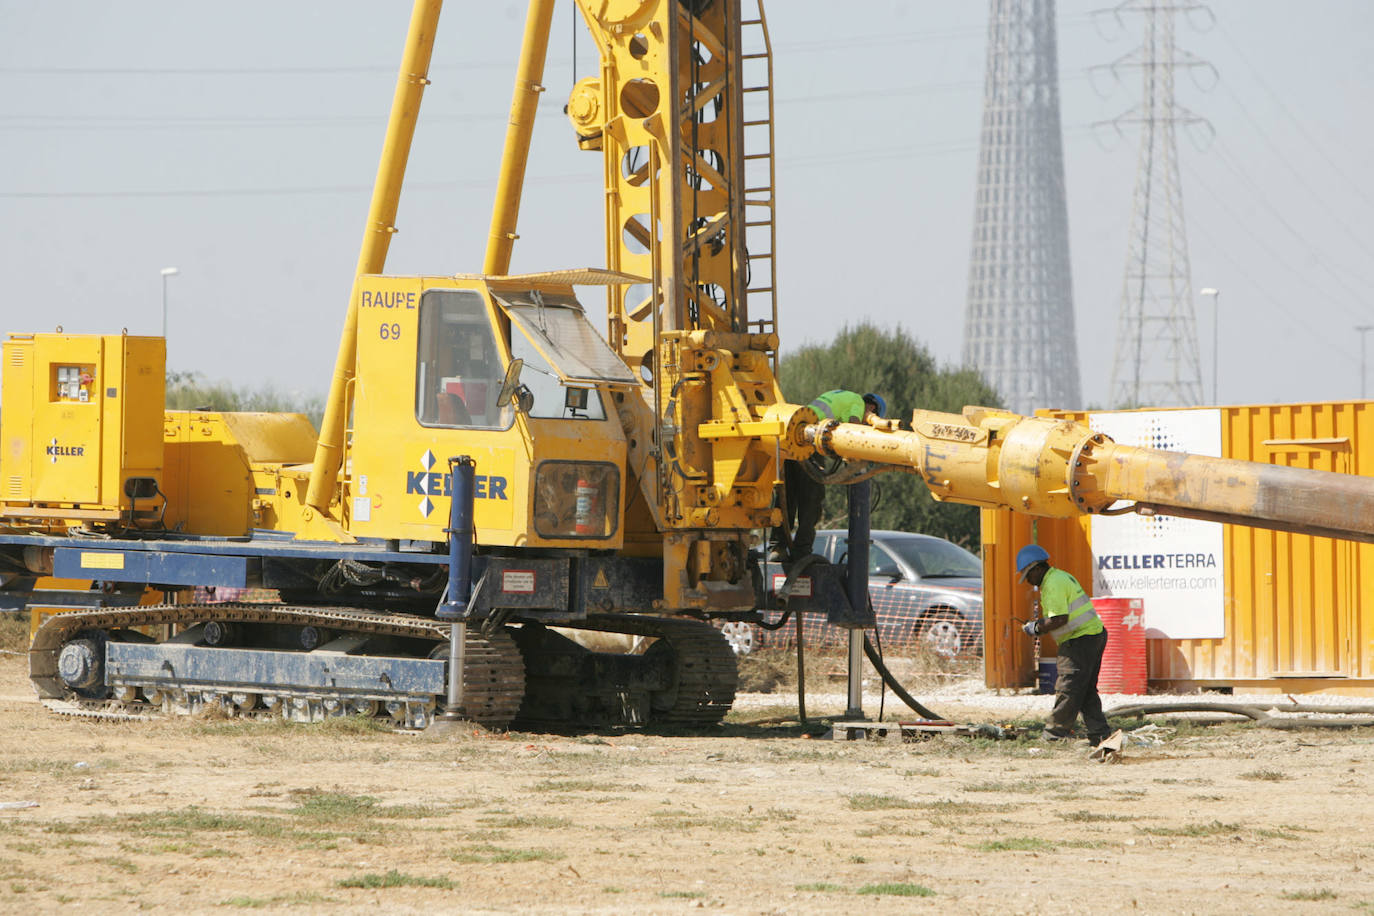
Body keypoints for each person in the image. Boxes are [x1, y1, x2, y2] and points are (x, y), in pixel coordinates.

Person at [769, 391, 886, 562]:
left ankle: (777, 547)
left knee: (787, 496)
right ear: (872, 409)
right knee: (811, 500)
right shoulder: (858, 404)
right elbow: (853, 430)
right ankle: (802, 551)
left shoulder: (840, 394)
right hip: (809, 441)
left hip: (791, 439)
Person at [1017, 544, 1111, 745]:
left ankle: (1054, 735)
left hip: (1079, 639)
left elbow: (1059, 619)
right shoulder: (1059, 577)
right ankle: (1100, 734)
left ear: (1037, 568)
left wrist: (1035, 628)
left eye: (1028, 575)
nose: (1028, 582)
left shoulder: (1053, 584)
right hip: (1093, 636)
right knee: (1085, 689)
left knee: (1068, 687)